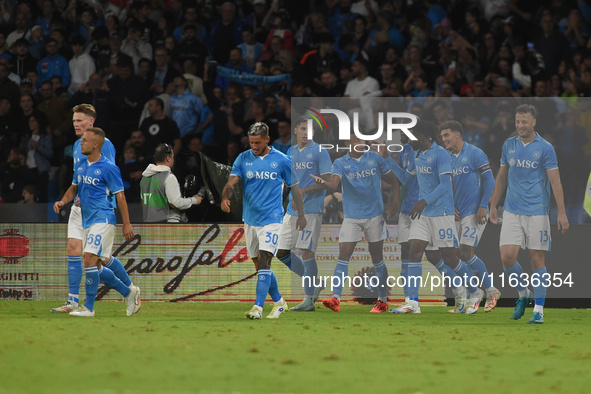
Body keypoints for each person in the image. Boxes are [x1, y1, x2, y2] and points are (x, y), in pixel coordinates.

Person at [51, 104, 137, 314]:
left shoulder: (104, 146)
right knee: (78, 252)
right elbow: (76, 182)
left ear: (91, 122)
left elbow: (109, 181)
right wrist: (64, 201)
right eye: (73, 121)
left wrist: (123, 220)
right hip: (81, 208)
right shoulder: (77, 146)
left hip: (99, 210)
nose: (76, 125)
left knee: (97, 260)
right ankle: (73, 302)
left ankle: (128, 289)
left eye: (79, 121)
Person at [388, 120, 480, 314]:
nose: (407, 140)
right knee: (414, 251)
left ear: (420, 135)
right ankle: (412, 303)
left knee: (449, 258)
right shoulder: (418, 154)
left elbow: (445, 184)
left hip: (441, 213)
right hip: (424, 215)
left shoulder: (440, 153)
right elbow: (405, 178)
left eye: (411, 136)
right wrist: (386, 159)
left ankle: (474, 290)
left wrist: (424, 201)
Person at [489, 104, 569, 324]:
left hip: (537, 211)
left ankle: (539, 311)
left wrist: (561, 213)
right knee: (507, 257)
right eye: (517, 122)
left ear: (534, 122)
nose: (520, 126)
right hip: (512, 210)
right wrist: (493, 204)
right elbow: (501, 177)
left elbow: (555, 182)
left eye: (524, 122)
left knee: (537, 259)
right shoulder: (509, 145)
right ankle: (524, 293)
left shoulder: (545, 148)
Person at [221, 122, 306, 319]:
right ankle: (279, 302)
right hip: (250, 219)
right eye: (251, 143)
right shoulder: (243, 158)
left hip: (272, 218)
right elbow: (232, 182)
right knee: (259, 265)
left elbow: (295, 188)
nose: (254, 146)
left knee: (266, 261)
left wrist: (301, 214)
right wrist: (225, 197)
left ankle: (258, 307)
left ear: (267, 139)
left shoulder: (282, 160)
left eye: (258, 142)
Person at [312, 133, 398, 313]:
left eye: (362, 140)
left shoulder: (374, 157)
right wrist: (324, 183)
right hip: (351, 216)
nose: (361, 143)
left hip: (374, 215)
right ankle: (336, 298)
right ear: (347, 143)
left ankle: (382, 300)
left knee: (377, 258)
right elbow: (334, 185)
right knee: (343, 254)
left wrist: (395, 202)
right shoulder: (341, 163)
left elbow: (394, 180)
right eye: (357, 140)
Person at [439, 120, 501, 313]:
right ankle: (483, 292)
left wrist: (485, 205)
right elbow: (446, 185)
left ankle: (484, 292)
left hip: (474, 211)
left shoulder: (475, 153)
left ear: (457, 135)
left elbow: (489, 180)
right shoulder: (447, 157)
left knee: (466, 252)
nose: (444, 140)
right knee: (456, 256)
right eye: (442, 136)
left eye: (446, 135)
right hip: (455, 213)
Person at [275, 117, 332, 311]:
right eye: (302, 128)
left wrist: (305, 191)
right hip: (292, 210)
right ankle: (315, 283)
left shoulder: (320, 151)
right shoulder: (290, 152)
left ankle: (308, 300)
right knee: (280, 251)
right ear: (296, 131)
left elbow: (328, 181)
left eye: (310, 129)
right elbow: (288, 182)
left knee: (307, 251)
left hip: (311, 210)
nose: (306, 132)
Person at [140, 143, 203, 223]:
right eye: (173, 157)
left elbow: (143, 202)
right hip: (168, 226)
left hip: (149, 225)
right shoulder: (169, 177)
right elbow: (175, 203)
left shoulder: (144, 178)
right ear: (168, 158)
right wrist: (194, 200)